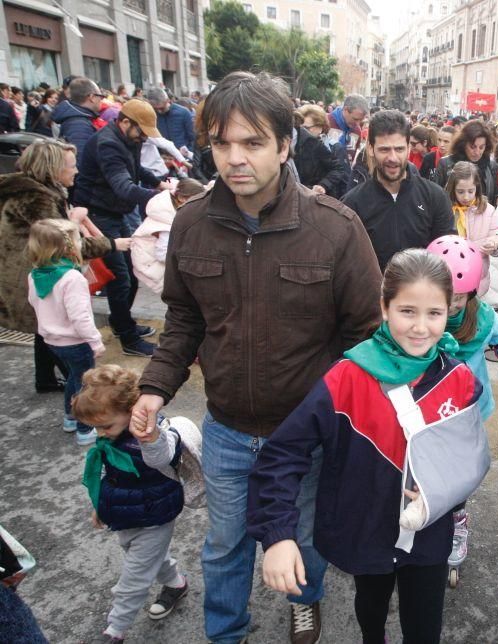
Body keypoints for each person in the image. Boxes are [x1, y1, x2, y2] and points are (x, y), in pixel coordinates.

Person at [131, 71, 383, 644]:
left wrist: (330, 416)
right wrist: (154, 387)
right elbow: (184, 319)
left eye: (252, 142)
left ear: (285, 145)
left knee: (306, 536)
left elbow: (365, 337)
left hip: (308, 436)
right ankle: (226, 632)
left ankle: (306, 601)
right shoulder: (192, 224)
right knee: (225, 543)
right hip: (225, 429)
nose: (234, 158)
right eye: (222, 143)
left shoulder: (336, 229)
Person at [248, 249, 488, 644]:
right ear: (384, 307)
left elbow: (471, 458)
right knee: (371, 606)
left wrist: (444, 494)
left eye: (435, 313)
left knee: (425, 626)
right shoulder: (345, 379)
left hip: (428, 531)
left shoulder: (460, 381)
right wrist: (277, 534)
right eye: (407, 311)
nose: (421, 327)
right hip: (365, 528)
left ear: (450, 312)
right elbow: (282, 453)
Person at [427, 235, 498, 580]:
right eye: (444, 296)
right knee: (425, 469)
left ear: (472, 293)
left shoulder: (484, 319)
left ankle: (457, 519)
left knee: (457, 474)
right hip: (425, 412)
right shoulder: (422, 318)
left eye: (458, 298)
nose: (451, 305)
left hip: (467, 412)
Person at [73, 365, 191, 643]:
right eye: (95, 428)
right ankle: (176, 583)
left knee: (134, 577)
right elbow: (110, 478)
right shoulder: (113, 437)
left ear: (132, 410)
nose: (100, 434)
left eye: (105, 426)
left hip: (154, 516)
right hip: (127, 514)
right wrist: (100, 506)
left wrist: (151, 437)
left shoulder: (154, 436)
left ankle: (115, 630)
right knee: (147, 557)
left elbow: (161, 456)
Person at [0, 139, 120, 394]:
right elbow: (65, 244)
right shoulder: (37, 197)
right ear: (53, 169)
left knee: (43, 327)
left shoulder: (28, 189)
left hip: (23, 270)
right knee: (56, 329)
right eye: (71, 166)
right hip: (33, 273)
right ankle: (84, 392)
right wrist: (112, 243)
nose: (76, 171)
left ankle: (45, 380)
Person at [73, 99, 168, 357]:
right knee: (120, 277)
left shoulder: (129, 140)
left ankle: (120, 322)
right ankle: (128, 339)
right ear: (125, 122)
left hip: (118, 211)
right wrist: (163, 198)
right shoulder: (108, 144)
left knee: (133, 269)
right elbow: (124, 187)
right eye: (142, 131)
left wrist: (161, 183)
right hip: (99, 214)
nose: (144, 138)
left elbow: (136, 170)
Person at [342, 109, 454, 271]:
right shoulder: (353, 204)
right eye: (384, 149)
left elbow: (447, 257)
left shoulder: (435, 197)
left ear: (409, 148)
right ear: (371, 149)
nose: (393, 158)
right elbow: (347, 265)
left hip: (422, 293)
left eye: (399, 149)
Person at [26, 219, 105, 445]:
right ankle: (84, 428)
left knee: (73, 376)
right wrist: (95, 341)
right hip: (76, 341)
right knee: (85, 384)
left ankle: (70, 417)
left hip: (52, 340)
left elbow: (34, 303)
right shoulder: (72, 278)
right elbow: (80, 317)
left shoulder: (36, 274)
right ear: (67, 246)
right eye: (78, 238)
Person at [131, 179, 206, 294]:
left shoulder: (173, 212)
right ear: (182, 198)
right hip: (159, 270)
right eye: (196, 201)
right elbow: (162, 254)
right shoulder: (167, 222)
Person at [445, 161, 498, 294]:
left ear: (477, 187)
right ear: (452, 189)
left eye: (471, 191)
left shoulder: (488, 210)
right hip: (450, 277)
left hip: (478, 279)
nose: (466, 197)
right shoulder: (445, 210)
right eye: (460, 192)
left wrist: (495, 246)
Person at [436, 120, 498, 204]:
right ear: (463, 144)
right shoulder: (445, 164)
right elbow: (436, 197)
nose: (477, 152)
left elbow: (494, 197)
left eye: (481, 147)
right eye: (473, 147)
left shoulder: (492, 166)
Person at [290, 110, 349, 199]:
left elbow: (339, 170)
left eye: (306, 128)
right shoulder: (295, 143)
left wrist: (322, 185)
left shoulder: (330, 147)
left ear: (320, 127)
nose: (302, 131)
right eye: (300, 127)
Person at [52, 77, 106, 160]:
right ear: (91, 97)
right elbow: (81, 161)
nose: (101, 100)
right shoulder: (78, 124)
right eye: (100, 96)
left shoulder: (80, 119)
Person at [145, 88, 195, 153]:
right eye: (155, 109)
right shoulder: (151, 116)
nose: (159, 111)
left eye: (161, 108)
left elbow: (193, 138)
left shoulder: (184, 113)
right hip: (162, 158)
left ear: (168, 100)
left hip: (184, 156)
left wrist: (188, 153)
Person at [326, 93, 368, 166]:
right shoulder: (326, 122)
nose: (358, 124)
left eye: (361, 120)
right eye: (355, 119)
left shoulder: (357, 131)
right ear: (345, 109)